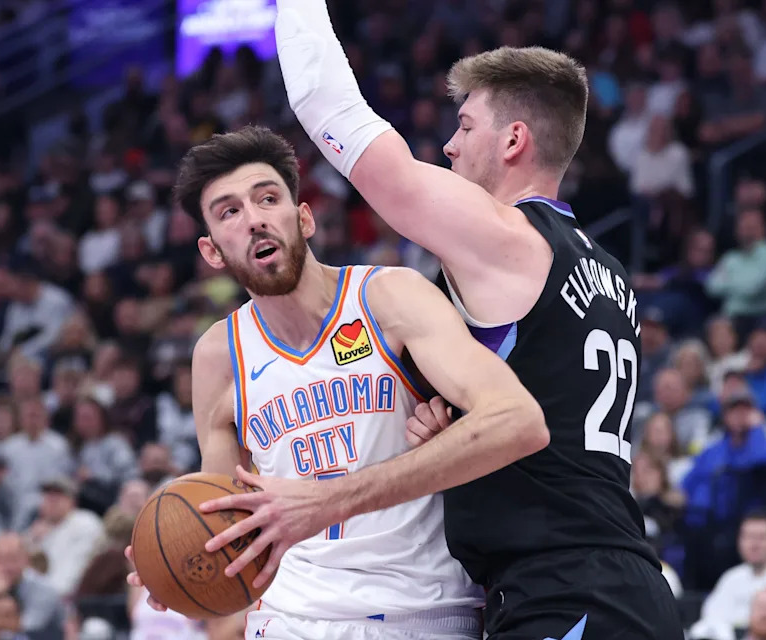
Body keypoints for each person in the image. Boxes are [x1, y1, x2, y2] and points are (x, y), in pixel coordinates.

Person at [198, 1, 684, 639]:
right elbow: (552, 393)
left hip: (562, 587)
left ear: (513, 140)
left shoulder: (506, 236)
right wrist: (448, 426)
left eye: (464, 125)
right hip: (602, 574)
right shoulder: (606, 270)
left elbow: (331, 109)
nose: (449, 145)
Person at [126, 127, 548, 639]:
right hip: (288, 619)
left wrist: (330, 500)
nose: (255, 218)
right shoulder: (218, 354)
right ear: (213, 252)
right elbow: (226, 518)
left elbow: (517, 420)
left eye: (267, 198)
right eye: (229, 212)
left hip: (418, 613)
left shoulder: (389, 298)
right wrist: (180, 555)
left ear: (303, 218)